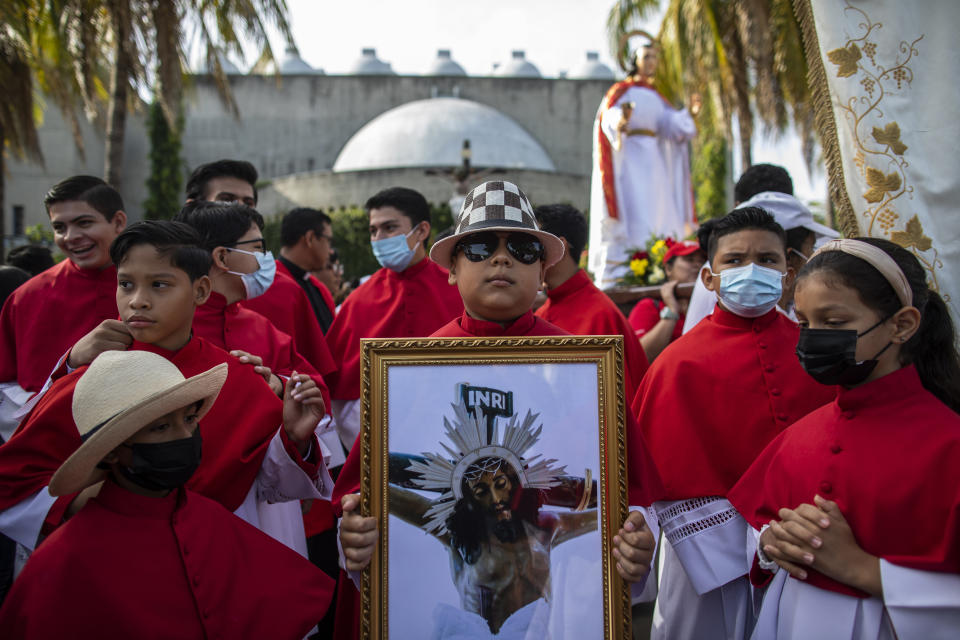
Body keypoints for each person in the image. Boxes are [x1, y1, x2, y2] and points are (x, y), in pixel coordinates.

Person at [335, 181, 664, 640]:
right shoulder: (408, 373)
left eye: (524, 249)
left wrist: (637, 541)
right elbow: (367, 494)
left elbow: (630, 495)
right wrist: (354, 531)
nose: (502, 258)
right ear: (451, 269)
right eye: (481, 247)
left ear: (545, 269)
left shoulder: (586, 372)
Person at [0, 221, 332, 558]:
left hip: (214, 560)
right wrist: (90, 503)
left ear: (200, 291)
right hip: (111, 559)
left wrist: (295, 440)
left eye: (159, 284)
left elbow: (268, 488)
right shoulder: (89, 381)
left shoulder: (239, 379)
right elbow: (16, 482)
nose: (138, 301)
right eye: (126, 284)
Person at [0, 350, 334, 639]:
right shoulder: (63, 563)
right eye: (161, 427)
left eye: (190, 419)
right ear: (113, 450)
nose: (184, 436)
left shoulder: (217, 524)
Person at [729, 238, 960, 639]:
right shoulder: (800, 435)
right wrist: (772, 546)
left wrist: (861, 568)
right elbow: (760, 532)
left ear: (902, 324)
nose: (813, 337)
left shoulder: (949, 444)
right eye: (803, 323)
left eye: (834, 323)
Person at [631, 207, 836, 640]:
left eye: (767, 259)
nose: (752, 270)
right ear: (709, 277)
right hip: (704, 565)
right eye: (735, 260)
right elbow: (643, 483)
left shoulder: (817, 354)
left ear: (789, 271)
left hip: (812, 549)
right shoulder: (676, 364)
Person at [390, 398, 598, 636]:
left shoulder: (547, 526)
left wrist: (630, 505)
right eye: (481, 492)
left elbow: (608, 511)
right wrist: (368, 472)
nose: (496, 497)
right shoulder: (454, 531)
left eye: (500, 484)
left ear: (514, 483)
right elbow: (384, 489)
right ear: (470, 498)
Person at [324, 187, 463, 457]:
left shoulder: (459, 289)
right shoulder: (358, 301)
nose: (379, 238)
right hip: (379, 444)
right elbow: (337, 388)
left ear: (422, 231)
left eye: (389, 227)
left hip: (455, 437)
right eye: (373, 230)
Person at [185, 159, 337, 379]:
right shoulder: (163, 291)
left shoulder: (287, 290)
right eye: (227, 200)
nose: (240, 210)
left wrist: (280, 384)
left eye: (248, 203)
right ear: (194, 207)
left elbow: (311, 379)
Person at [173, 201, 331, 409]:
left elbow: (317, 389)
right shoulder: (167, 324)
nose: (266, 258)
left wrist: (279, 384)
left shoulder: (263, 329)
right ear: (222, 257)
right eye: (258, 248)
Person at [588, 35, 699, 288]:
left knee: (660, 208)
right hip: (629, 158)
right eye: (646, 56)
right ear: (634, 60)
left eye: (654, 57)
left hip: (655, 162)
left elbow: (669, 124)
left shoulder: (657, 97)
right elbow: (609, 117)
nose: (651, 62)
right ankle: (629, 264)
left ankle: (663, 260)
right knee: (634, 208)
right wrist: (621, 119)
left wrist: (688, 115)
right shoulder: (620, 91)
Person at [0, 176, 127, 396]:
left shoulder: (159, 288)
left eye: (84, 223)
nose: (71, 237)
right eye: (59, 227)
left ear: (118, 222)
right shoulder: (26, 298)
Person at [533, 203, 648, 398]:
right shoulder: (542, 313)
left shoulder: (599, 316)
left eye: (534, 244)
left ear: (560, 247)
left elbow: (615, 409)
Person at [628, 238, 706, 361]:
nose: (698, 265)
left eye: (703, 261)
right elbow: (638, 356)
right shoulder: (649, 306)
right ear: (668, 269)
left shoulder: (711, 305)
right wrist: (672, 311)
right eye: (689, 260)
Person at [279, 207, 337, 332]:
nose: (331, 250)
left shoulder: (318, 287)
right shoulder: (270, 287)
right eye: (329, 241)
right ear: (310, 238)